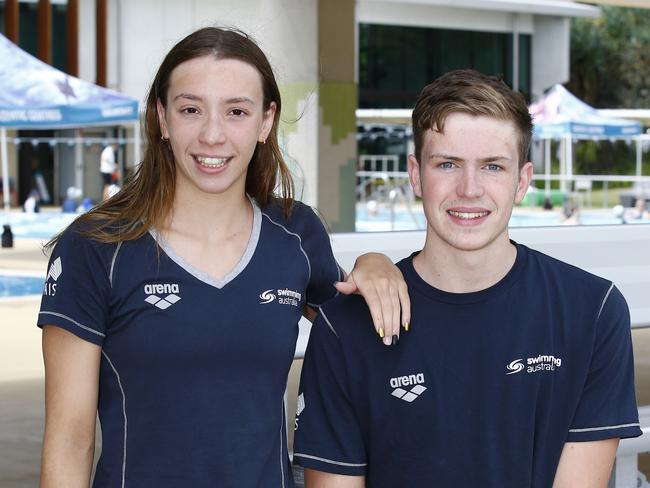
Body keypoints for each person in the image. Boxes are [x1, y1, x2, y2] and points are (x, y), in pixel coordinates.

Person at [37, 27, 410, 488]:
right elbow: (70, 440)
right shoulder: (96, 246)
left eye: (236, 111)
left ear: (266, 121)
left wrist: (373, 261)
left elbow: (357, 331)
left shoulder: (295, 232)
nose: (212, 135)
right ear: (162, 117)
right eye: (191, 109)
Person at [293, 69, 642, 488]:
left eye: (493, 166)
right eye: (447, 164)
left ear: (522, 181)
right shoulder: (346, 325)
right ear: (416, 174)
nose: (469, 189)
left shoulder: (592, 311)